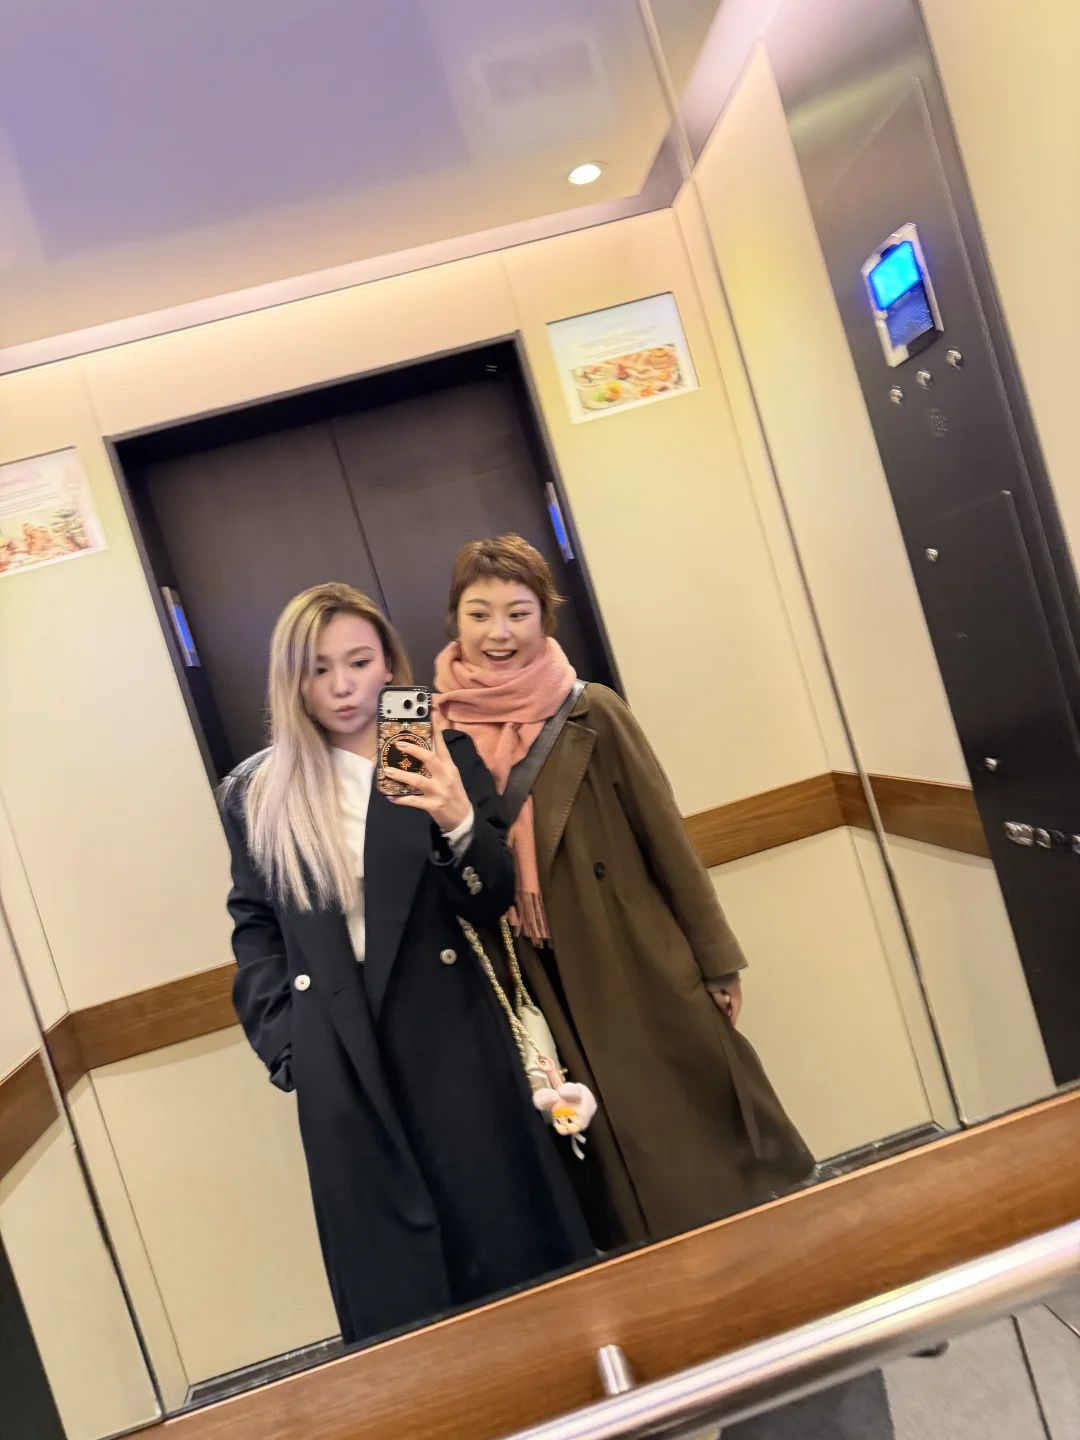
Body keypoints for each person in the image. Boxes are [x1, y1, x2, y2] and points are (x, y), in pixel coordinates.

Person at [220, 582, 593, 1348]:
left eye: (359, 662)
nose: (342, 686)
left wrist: (456, 817)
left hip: (452, 1037)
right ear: (292, 680)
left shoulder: (426, 744)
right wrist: (288, 1045)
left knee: (503, 1248)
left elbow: (490, 896)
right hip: (342, 1055)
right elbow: (256, 924)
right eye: (319, 669)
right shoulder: (261, 790)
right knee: (398, 1281)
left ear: (388, 663)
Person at [433, 536, 816, 1249]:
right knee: (591, 1150)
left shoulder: (592, 711)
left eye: (518, 612)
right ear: (453, 620)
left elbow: (664, 835)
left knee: (691, 1136)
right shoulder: (426, 729)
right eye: (478, 613)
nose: (498, 633)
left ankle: (754, 1264)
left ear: (545, 617)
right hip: (524, 974)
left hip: (629, 957)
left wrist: (716, 961)